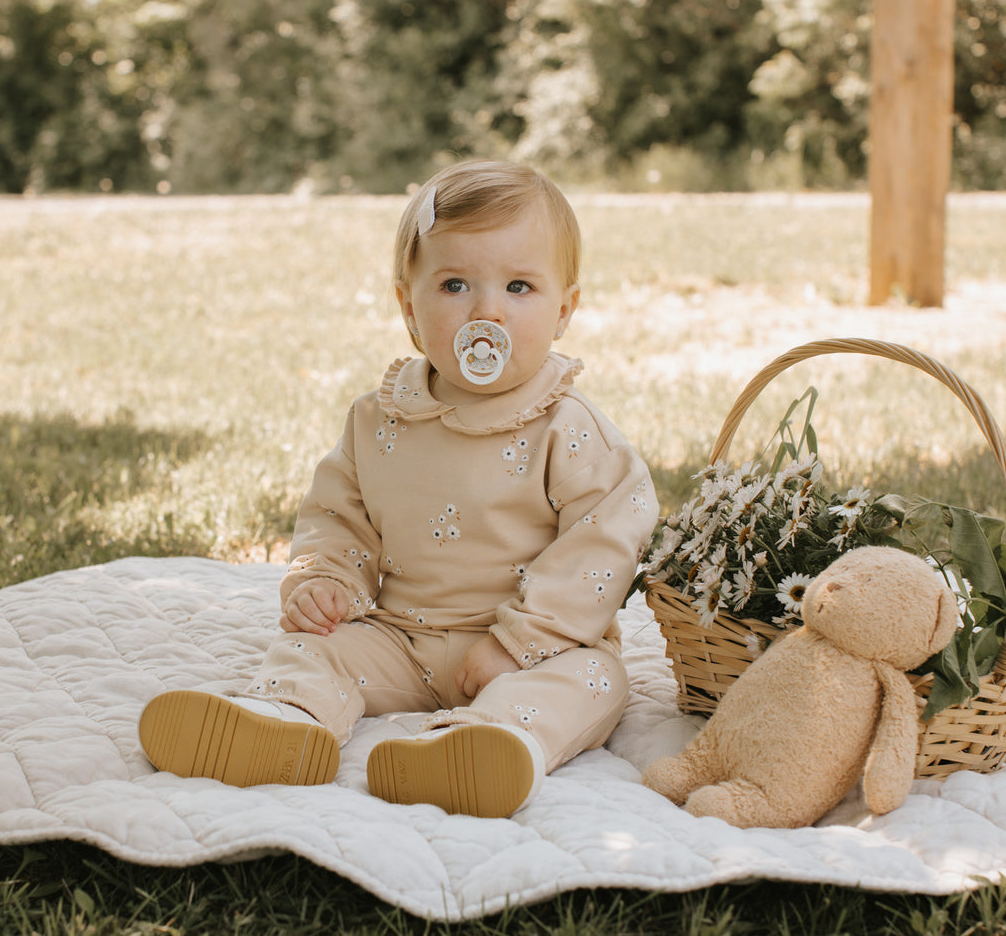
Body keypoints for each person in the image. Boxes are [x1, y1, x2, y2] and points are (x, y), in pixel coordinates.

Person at [139, 160, 659, 818]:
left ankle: (487, 744)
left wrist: (521, 641)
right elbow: (337, 513)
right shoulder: (378, 418)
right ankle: (284, 721)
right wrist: (325, 579)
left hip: (529, 653)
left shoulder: (569, 429)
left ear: (563, 309)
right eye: (453, 284)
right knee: (313, 649)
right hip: (399, 638)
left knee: (595, 679)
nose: (486, 311)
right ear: (408, 304)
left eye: (519, 286)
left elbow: (605, 538)